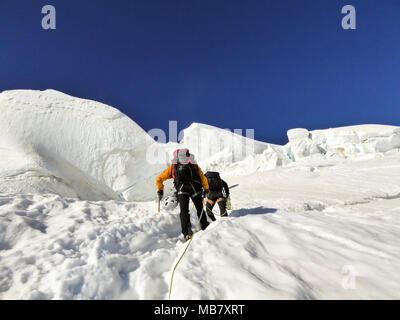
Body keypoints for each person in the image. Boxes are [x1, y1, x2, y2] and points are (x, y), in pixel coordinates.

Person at [156, 149, 210, 241]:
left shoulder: (173, 166)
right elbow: (202, 176)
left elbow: (159, 178)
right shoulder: (193, 164)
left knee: (184, 211)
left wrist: (160, 189)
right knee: (199, 208)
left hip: (182, 189)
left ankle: (187, 233)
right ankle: (205, 225)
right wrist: (206, 188)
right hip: (195, 188)